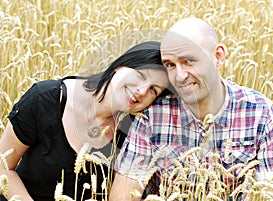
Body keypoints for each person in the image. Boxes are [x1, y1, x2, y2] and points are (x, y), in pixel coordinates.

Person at [109, 18, 273, 201]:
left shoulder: (259, 113)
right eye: (171, 65)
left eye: (188, 61)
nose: (180, 76)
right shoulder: (153, 116)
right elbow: (123, 195)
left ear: (218, 57)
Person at [0, 41, 171, 201]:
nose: (142, 91)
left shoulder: (135, 135)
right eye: (141, 75)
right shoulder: (46, 99)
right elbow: (2, 167)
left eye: (153, 90)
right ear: (120, 65)